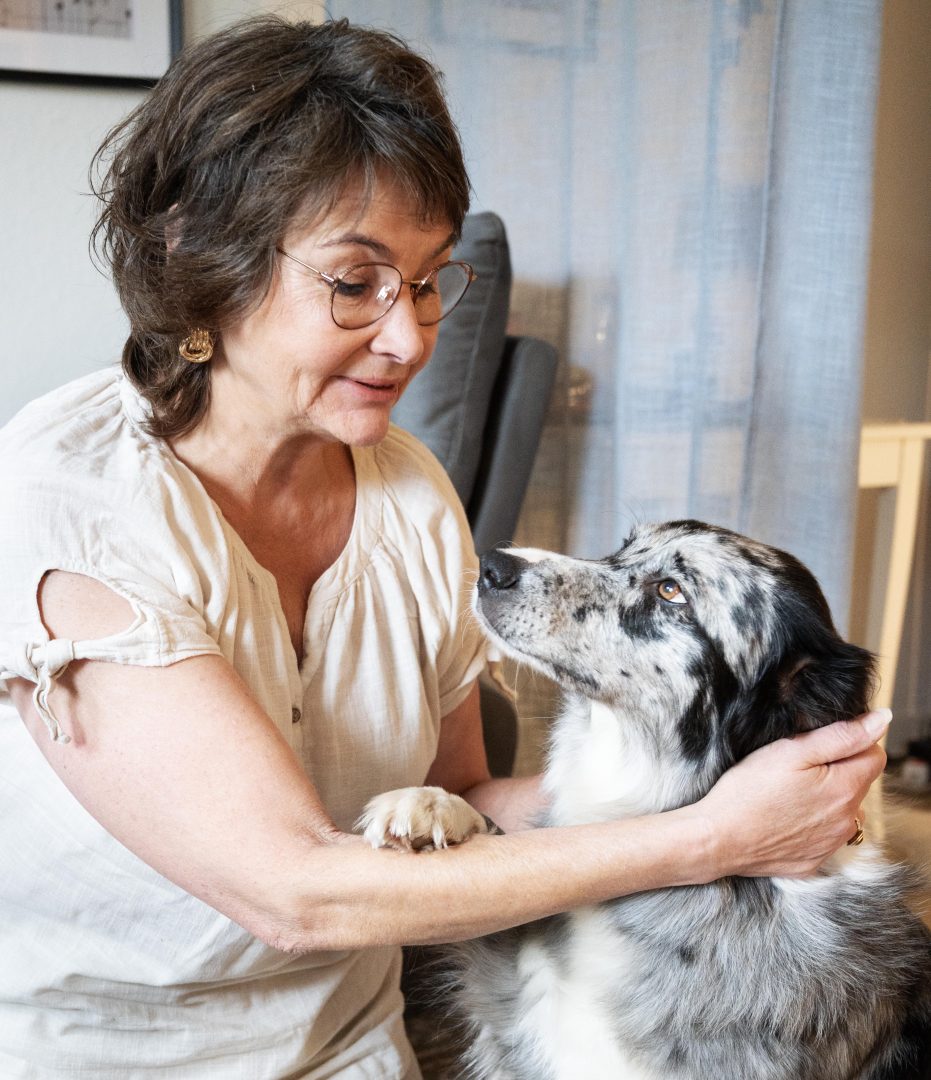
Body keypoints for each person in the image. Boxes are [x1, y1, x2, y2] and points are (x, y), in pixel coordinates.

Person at [0, 16, 887, 1080]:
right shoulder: (70, 499)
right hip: (105, 1059)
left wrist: (752, 792)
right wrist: (715, 839)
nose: (408, 337)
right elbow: (292, 889)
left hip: (355, 1047)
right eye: (354, 282)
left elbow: (459, 799)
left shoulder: (407, 491)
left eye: (425, 282)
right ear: (204, 258)